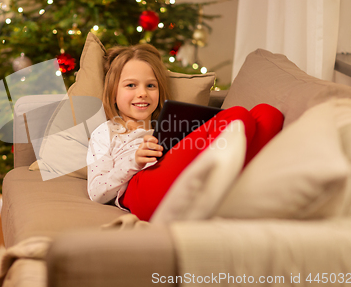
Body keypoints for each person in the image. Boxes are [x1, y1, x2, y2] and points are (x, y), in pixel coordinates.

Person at [87, 44, 284, 221]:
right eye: (131, 85)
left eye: (150, 85)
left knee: (269, 114)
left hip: (183, 176)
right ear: (113, 93)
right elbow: (96, 192)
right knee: (237, 115)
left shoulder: (167, 124)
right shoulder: (105, 132)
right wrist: (134, 162)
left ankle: (224, 197)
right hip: (139, 189)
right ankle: (224, 197)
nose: (142, 93)